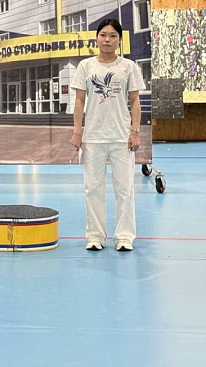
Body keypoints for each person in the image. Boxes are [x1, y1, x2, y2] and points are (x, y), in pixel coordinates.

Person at [70, 18, 145, 252]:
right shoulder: (86, 66)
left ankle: (124, 237)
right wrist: (77, 132)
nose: (107, 40)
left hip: (121, 137)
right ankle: (95, 236)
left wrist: (135, 132)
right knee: (93, 189)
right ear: (97, 38)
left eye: (113, 36)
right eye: (103, 35)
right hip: (93, 137)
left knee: (125, 189)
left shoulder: (128, 67)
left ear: (119, 40)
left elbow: (135, 101)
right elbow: (79, 101)